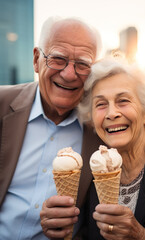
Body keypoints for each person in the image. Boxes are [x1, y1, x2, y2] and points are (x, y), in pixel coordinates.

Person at [0, 16, 104, 240]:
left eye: (83, 64)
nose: (69, 74)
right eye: (58, 59)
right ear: (37, 59)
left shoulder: (103, 130)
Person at [77, 57, 145, 239]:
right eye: (101, 104)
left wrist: (140, 235)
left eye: (123, 101)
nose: (111, 113)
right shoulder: (92, 176)